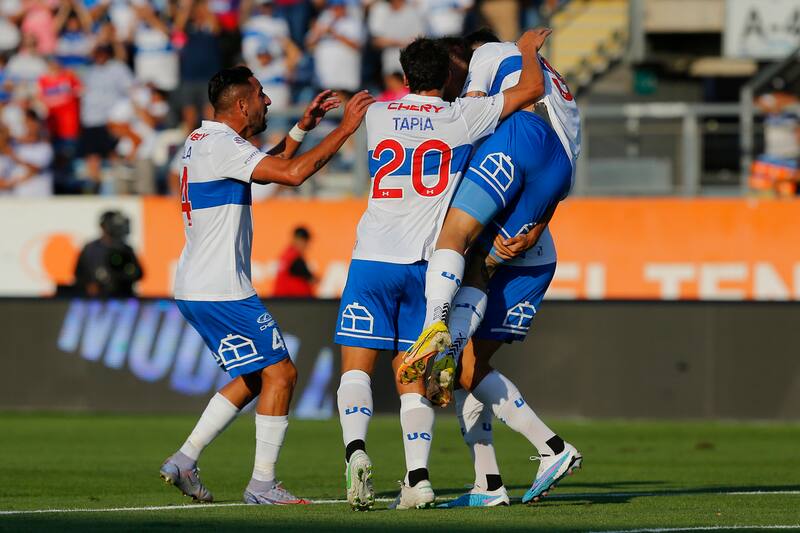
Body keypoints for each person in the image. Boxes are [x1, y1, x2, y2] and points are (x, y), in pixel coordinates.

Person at [332, 33, 548, 511]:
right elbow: (532, 90)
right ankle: (419, 479)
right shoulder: (460, 116)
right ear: (449, 77)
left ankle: (356, 451)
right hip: (427, 266)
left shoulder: (377, 113)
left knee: (356, 368)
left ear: (404, 77)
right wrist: (529, 49)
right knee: (414, 374)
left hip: (371, 258)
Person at [159, 65, 373, 505]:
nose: (268, 101)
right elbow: (292, 174)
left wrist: (301, 128)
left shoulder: (205, 141)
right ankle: (262, 484)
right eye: (260, 95)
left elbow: (269, 165)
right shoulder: (221, 146)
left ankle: (184, 459)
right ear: (241, 104)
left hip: (198, 284)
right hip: (221, 288)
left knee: (255, 376)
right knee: (283, 372)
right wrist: (347, 129)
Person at [399, 29, 583, 507]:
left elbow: (470, 120)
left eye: (451, 73)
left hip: (523, 154)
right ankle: (490, 483)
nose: (450, 85)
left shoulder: (487, 57)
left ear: (462, 56)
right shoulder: (555, 92)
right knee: (466, 366)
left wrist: (522, 49)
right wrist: (542, 218)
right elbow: (563, 164)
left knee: (454, 236)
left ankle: (437, 327)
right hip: (550, 185)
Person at [73, 210, 143, 297]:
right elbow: (78, 274)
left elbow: (138, 274)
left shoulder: (125, 249)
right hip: (95, 299)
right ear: (103, 227)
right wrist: (89, 285)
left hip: (122, 297)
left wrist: (122, 277)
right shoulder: (90, 249)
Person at [273, 226, 316, 297]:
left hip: (281, 299)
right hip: (293, 301)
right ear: (299, 240)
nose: (306, 246)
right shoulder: (295, 258)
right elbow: (311, 279)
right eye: (306, 242)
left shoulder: (286, 254)